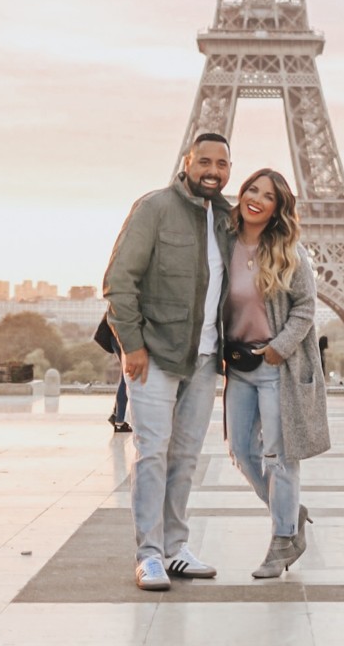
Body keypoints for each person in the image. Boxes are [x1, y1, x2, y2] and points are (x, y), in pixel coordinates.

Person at [103, 132, 233, 592]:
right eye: (204, 161)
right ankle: (149, 555)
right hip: (155, 353)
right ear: (187, 162)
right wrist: (132, 345)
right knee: (152, 452)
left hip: (204, 358)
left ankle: (176, 547)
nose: (212, 170)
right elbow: (120, 279)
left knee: (185, 456)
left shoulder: (227, 218)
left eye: (221, 163)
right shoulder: (155, 208)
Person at [223, 168, 330, 579]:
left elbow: (306, 305)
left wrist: (277, 350)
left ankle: (283, 539)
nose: (256, 198)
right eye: (251, 189)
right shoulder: (224, 243)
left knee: (280, 458)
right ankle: (289, 512)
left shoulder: (289, 251)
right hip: (238, 365)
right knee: (242, 453)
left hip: (274, 367)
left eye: (267, 195)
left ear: (277, 208)